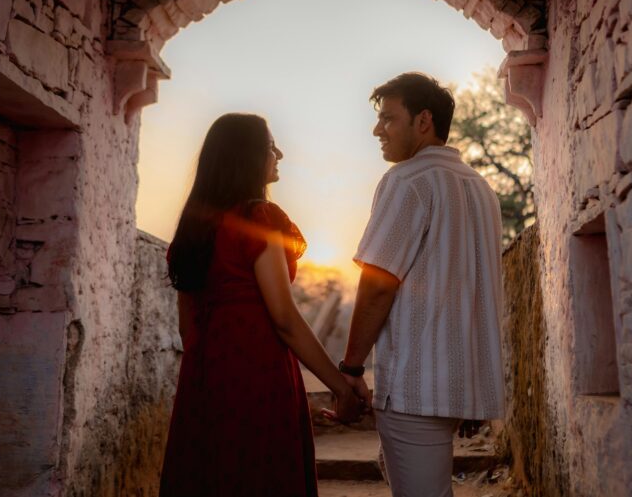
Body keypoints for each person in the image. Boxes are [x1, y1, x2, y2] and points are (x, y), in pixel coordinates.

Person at [159, 113, 364, 497]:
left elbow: (188, 329)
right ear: (248, 157)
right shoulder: (260, 218)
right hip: (258, 373)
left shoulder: (193, 229)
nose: (279, 153)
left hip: (203, 377)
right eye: (271, 147)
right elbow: (284, 319)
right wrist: (340, 386)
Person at [339, 73, 506, 497]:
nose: (378, 130)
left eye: (388, 119)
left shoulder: (408, 181)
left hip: (416, 385)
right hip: (461, 380)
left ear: (423, 120)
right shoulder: (481, 189)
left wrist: (352, 369)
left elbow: (378, 283)